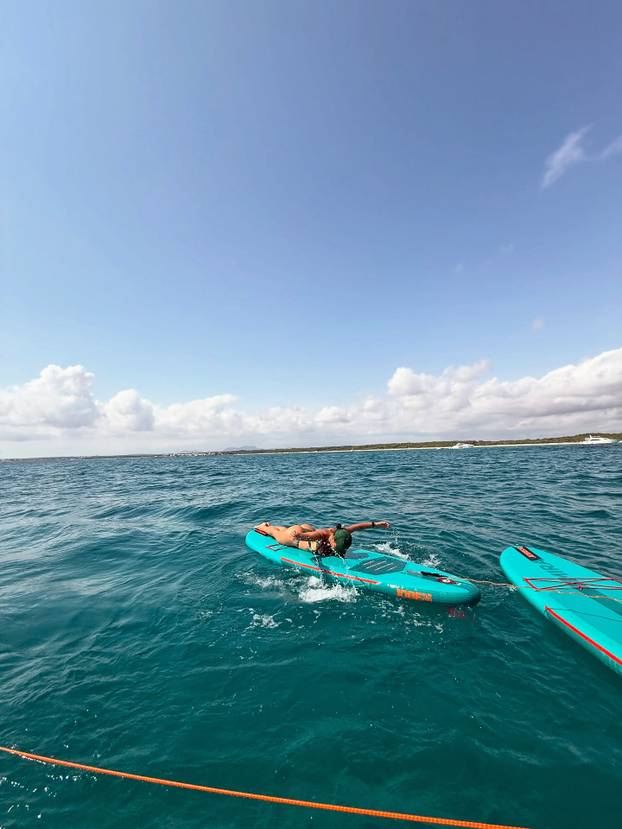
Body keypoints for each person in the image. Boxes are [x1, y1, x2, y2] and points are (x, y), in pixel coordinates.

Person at [255, 520, 390, 558]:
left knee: (283, 530)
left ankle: (277, 527)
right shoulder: (323, 534)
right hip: (295, 539)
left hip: (307, 528)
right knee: (275, 533)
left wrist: (377, 524)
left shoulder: (343, 532)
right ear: (333, 540)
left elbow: (359, 526)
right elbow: (310, 536)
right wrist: (299, 536)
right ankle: (263, 525)